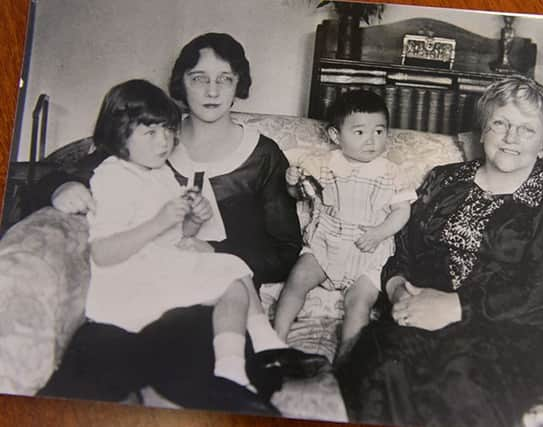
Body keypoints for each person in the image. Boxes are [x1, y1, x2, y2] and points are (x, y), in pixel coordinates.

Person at [35, 33, 327, 412]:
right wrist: (64, 186)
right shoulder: (148, 144)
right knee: (96, 368)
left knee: (196, 364)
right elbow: (59, 176)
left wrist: (209, 251)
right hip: (144, 285)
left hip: (217, 301)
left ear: (240, 84)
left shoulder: (263, 154)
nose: (211, 90)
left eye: (225, 78)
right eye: (198, 77)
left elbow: (286, 250)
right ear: (181, 84)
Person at [336, 75, 543, 427]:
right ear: (482, 131)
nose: (511, 137)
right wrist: (398, 290)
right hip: (416, 316)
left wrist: (454, 307)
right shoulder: (443, 179)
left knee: (458, 389)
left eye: (526, 129)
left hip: (503, 335)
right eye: (500, 123)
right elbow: (400, 252)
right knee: (377, 370)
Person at [273, 90, 414, 360]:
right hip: (327, 241)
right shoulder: (323, 164)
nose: (372, 140)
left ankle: (346, 360)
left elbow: (401, 212)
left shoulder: (392, 172)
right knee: (297, 281)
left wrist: (379, 234)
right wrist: (293, 183)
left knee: (359, 303)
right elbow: (301, 195)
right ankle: (276, 340)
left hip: (369, 249)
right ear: (336, 136)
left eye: (379, 131)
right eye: (360, 132)